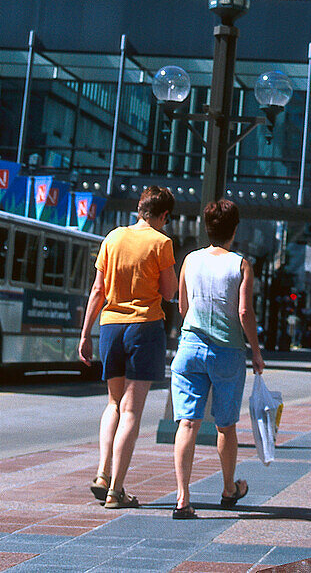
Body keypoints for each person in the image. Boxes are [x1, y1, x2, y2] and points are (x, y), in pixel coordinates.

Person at [79, 186, 177, 509]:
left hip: (110, 326)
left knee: (113, 404)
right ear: (162, 216)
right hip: (144, 327)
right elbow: (169, 293)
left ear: (139, 208)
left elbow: (97, 289)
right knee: (132, 411)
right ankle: (116, 491)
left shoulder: (113, 237)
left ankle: (102, 473)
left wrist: (85, 333)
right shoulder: (161, 243)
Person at [170, 199, 264, 519]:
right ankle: (228, 487)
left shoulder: (190, 260)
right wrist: (255, 350)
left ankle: (183, 499)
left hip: (190, 347)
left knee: (188, 422)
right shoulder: (240, 264)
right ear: (234, 230)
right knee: (225, 425)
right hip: (227, 351)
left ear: (207, 228)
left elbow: (182, 307)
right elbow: (244, 312)